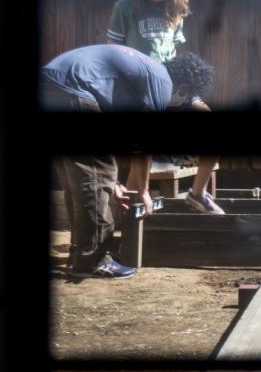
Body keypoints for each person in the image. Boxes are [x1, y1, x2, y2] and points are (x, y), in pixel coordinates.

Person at [42, 44, 216, 278]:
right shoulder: (162, 84)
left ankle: (80, 252)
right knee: (97, 172)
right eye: (184, 102)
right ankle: (92, 260)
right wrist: (143, 191)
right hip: (73, 90)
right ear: (184, 89)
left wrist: (112, 183)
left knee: (79, 178)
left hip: (51, 85)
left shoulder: (142, 76)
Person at [106, 0, 224, 215]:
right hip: (138, 85)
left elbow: (172, 52)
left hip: (172, 83)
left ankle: (197, 194)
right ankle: (124, 216)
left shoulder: (176, 7)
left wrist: (183, 85)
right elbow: (112, 52)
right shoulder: (124, 7)